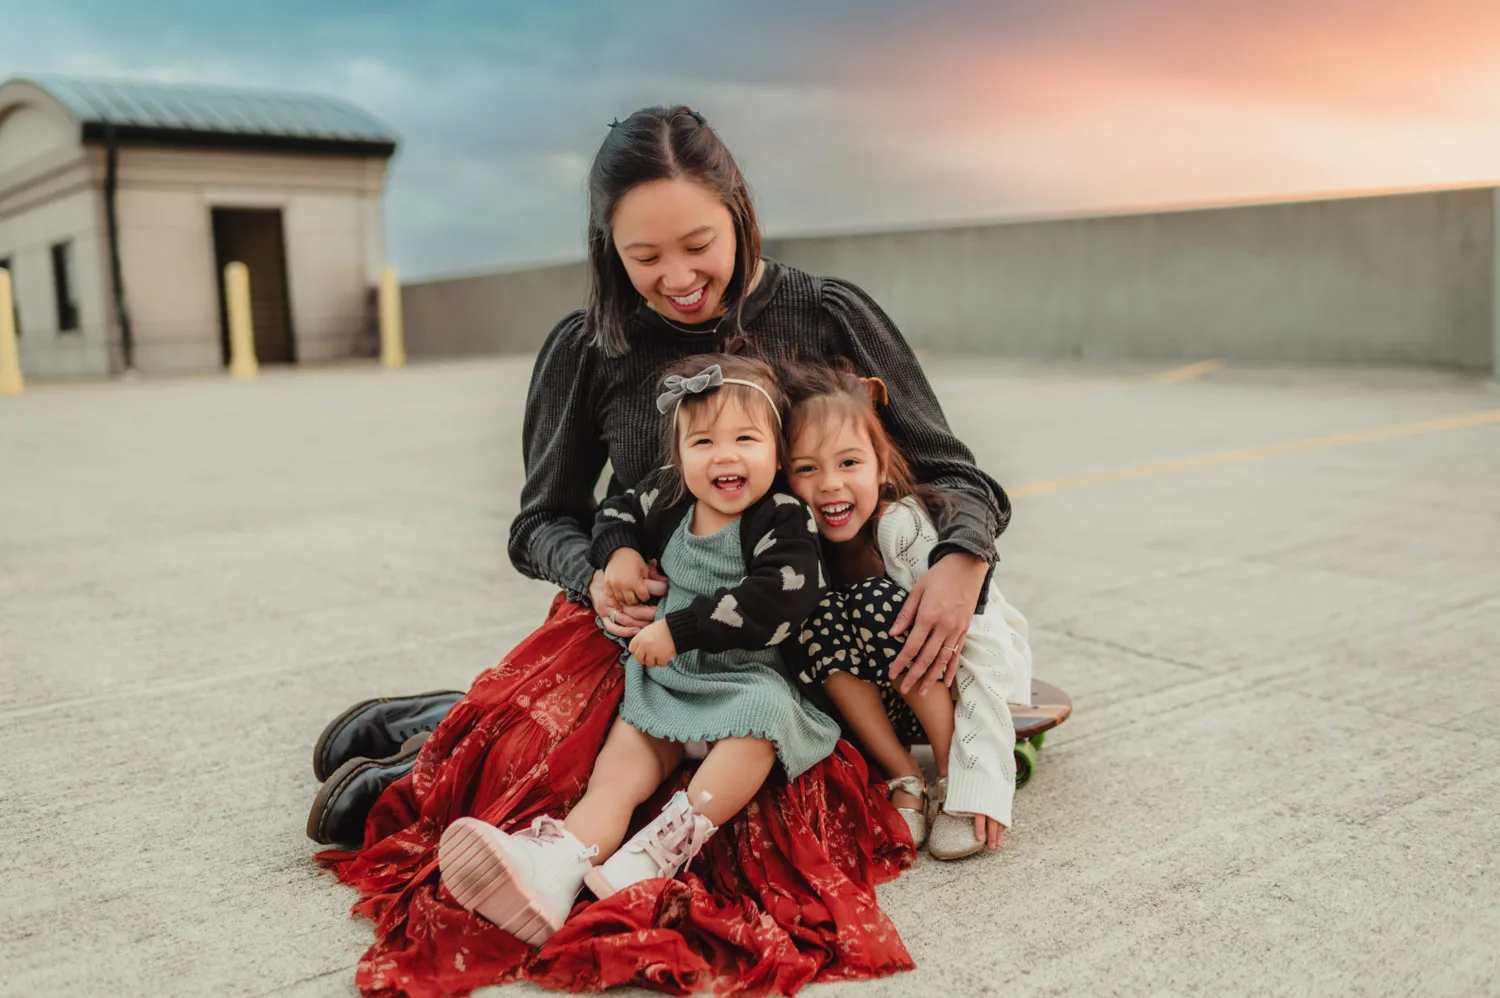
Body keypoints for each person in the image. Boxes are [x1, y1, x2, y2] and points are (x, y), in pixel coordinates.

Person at [312, 104, 1011, 997]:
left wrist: (961, 566)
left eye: (697, 244)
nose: (678, 278)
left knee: (742, 815)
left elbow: (958, 474)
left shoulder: (823, 312)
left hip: (791, 640)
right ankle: (442, 741)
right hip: (638, 627)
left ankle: (437, 736)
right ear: (609, 248)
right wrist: (598, 571)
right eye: (644, 258)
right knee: (562, 759)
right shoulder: (592, 346)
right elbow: (541, 522)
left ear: (739, 210)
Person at [438, 354, 841, 944]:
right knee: (620, 771)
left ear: (777, 454)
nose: (724, 455)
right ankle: (558, 867)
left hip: (744, 677)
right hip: (669, 679)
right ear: (679, 457)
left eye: (746, 439)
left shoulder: (781, 516)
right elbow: (615, 510)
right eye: (702, 441)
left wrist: (680, 629)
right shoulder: (669, 497)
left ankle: (655, 855)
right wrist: (621, 552)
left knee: (761, 728)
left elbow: (780, 597)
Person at [782, 361, 1034, 860]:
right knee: (820, 615)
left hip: (963, 674)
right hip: (889, 698)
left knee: (876, 601)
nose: (830, 484)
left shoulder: (902, 528)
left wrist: (980, 775)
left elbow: (979, 649)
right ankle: (905, 775)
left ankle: (948, 776)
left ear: (880, 466)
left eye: (849, 463)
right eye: (807, 468)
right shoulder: (797, 539)